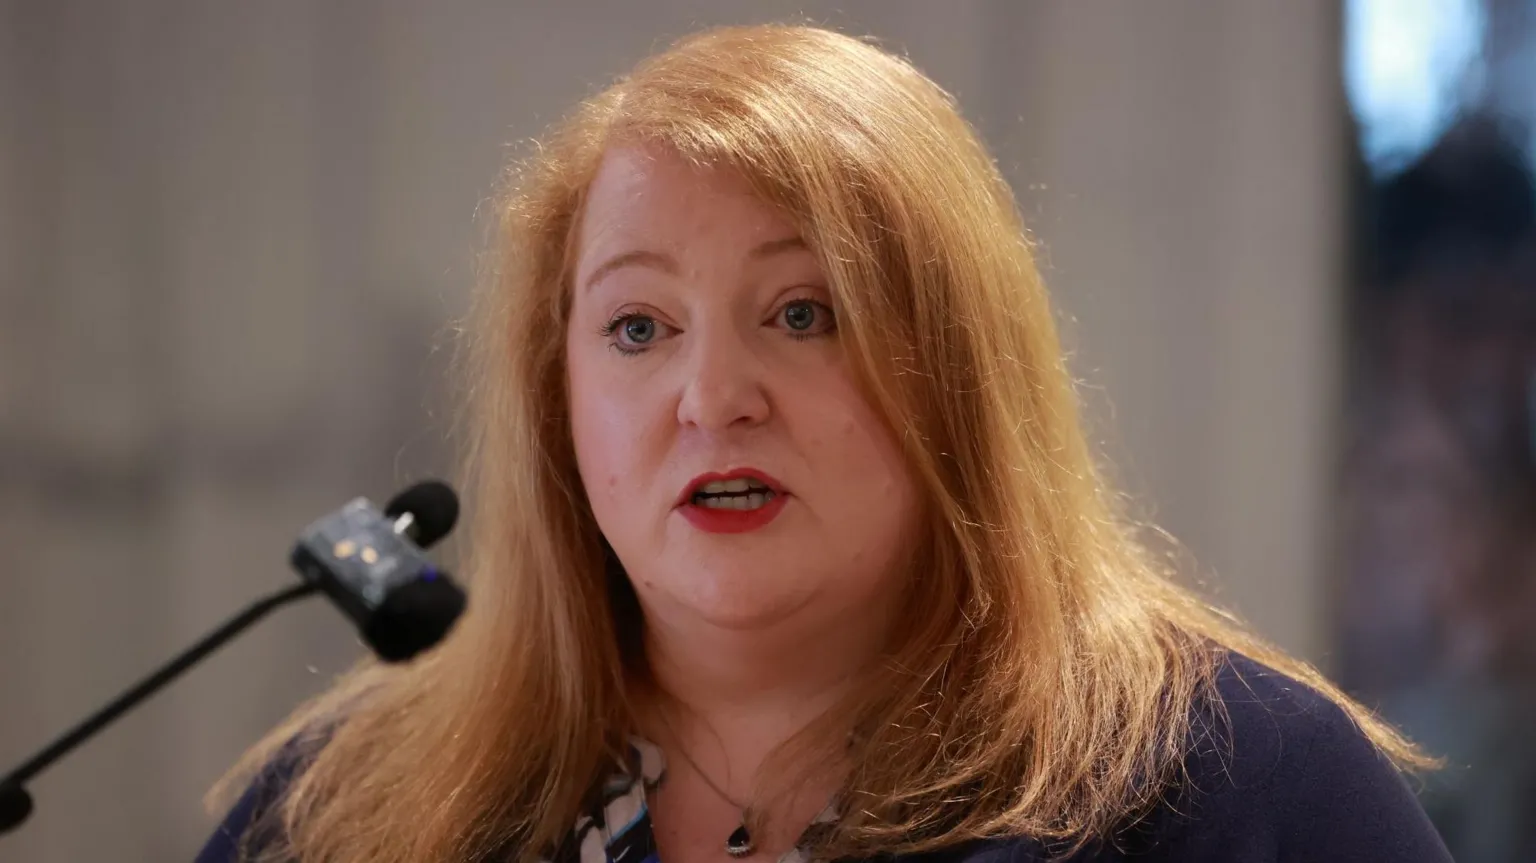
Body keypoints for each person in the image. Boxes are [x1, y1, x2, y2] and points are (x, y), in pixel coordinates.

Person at [197, 23, 1452, 863]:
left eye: (803, 313)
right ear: (555, 398)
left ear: (956, 371)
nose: (712, 397)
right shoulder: (344, 808)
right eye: (638, 327)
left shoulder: (1240, 787)